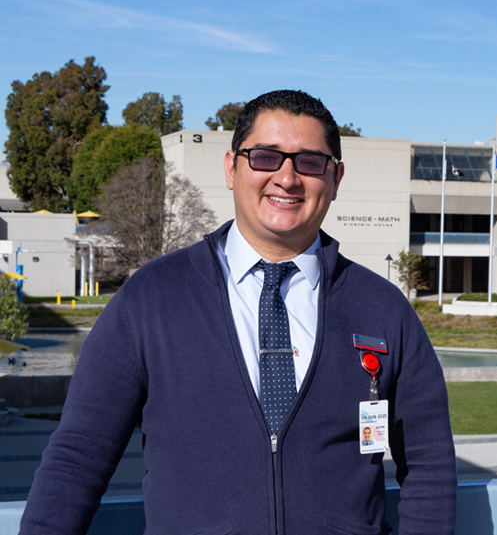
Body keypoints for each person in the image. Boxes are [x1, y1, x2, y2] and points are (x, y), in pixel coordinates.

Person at [20, 90, 457, 534]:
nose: (287, 179)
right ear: (232, 168)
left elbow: (430, 465)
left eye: (309, 161)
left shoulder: (381, 308)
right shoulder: (150, 299)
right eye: (265, 157)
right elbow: (78, 457)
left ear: (336, 178)